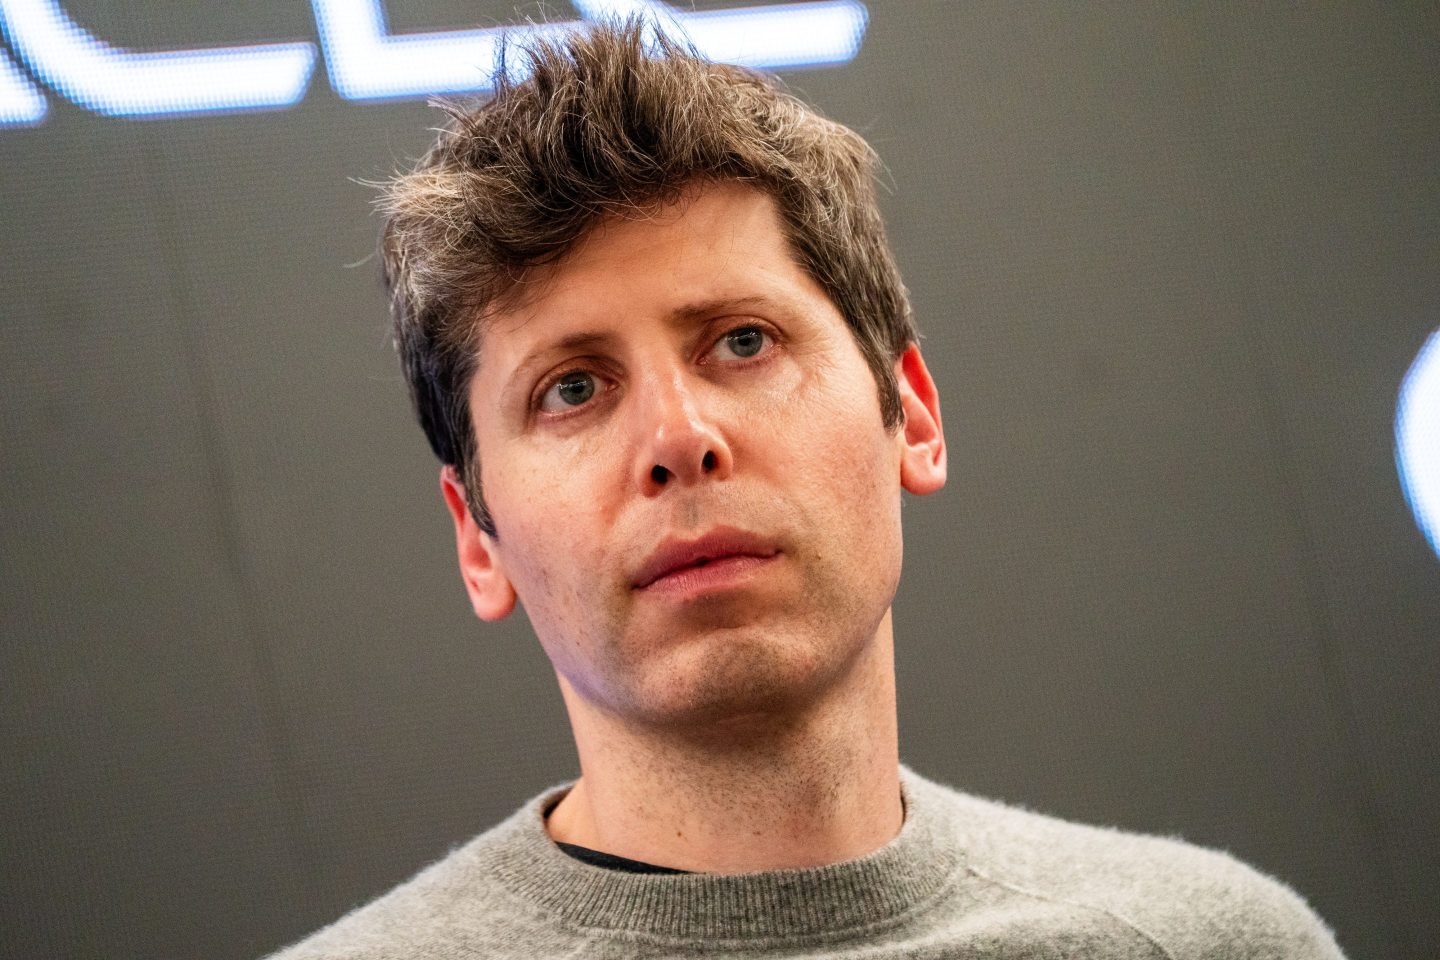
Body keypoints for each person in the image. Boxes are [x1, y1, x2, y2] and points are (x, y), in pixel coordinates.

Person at [267, 19, 1345, 960]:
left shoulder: (1209, 944)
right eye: (574, 388)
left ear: (910, 414)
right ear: (480, 540)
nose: (679, 440)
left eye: (743, 341)